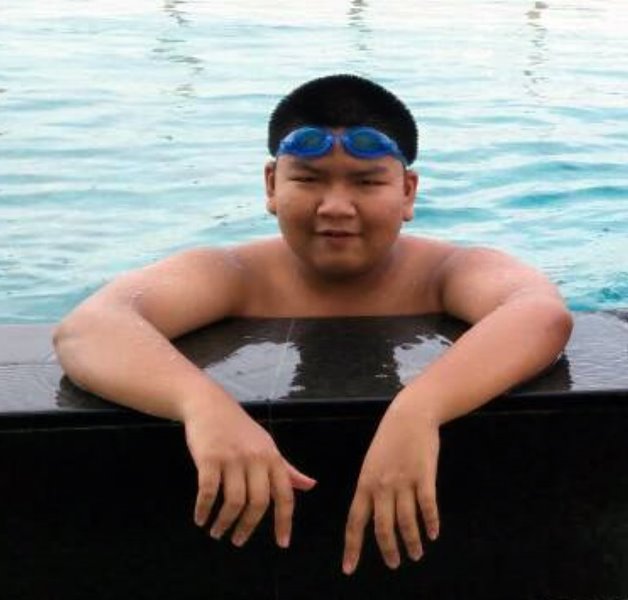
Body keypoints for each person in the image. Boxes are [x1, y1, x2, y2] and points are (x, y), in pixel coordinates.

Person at [53, 74, 573, 575]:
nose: (336, 207)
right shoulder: (236, 274)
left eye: (367, 182)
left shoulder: (444, 271)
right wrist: (203, 405)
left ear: (408, 191)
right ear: (271, 184)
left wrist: (419, 408)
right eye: (307, 179)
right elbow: (89, 327)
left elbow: (539, 313)